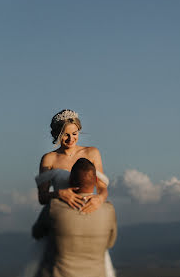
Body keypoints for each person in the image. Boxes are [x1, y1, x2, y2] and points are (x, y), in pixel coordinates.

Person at [34, 109, 115, 277]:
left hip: (90, 220)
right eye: (65, 135)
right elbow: (42, 197)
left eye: (75, 133)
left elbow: (102, 188)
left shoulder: (92, 153)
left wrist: (99, 199)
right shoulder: (49, 159)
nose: (71, 139)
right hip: (61, 222)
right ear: (57, 134)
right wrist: (59, 194)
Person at [33, 158, 117, 277]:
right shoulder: (109, 211)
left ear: (70, 181)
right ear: (96, 180)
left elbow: (37, 233)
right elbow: (110, 243)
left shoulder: (54, 207)